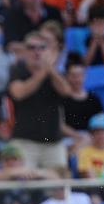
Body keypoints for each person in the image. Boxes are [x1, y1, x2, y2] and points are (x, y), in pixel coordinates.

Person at [8, 32, 75, 169]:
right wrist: (43, 71)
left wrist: (50, 70)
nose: (36, 52)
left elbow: (67, 91)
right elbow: (19, 93)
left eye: (41, 48)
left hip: (53, 143)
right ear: (25, 51)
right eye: (31, 47)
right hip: (24, 141)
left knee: (59, 185)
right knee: (23, 186)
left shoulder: (54, 74)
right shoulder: (17, 70)